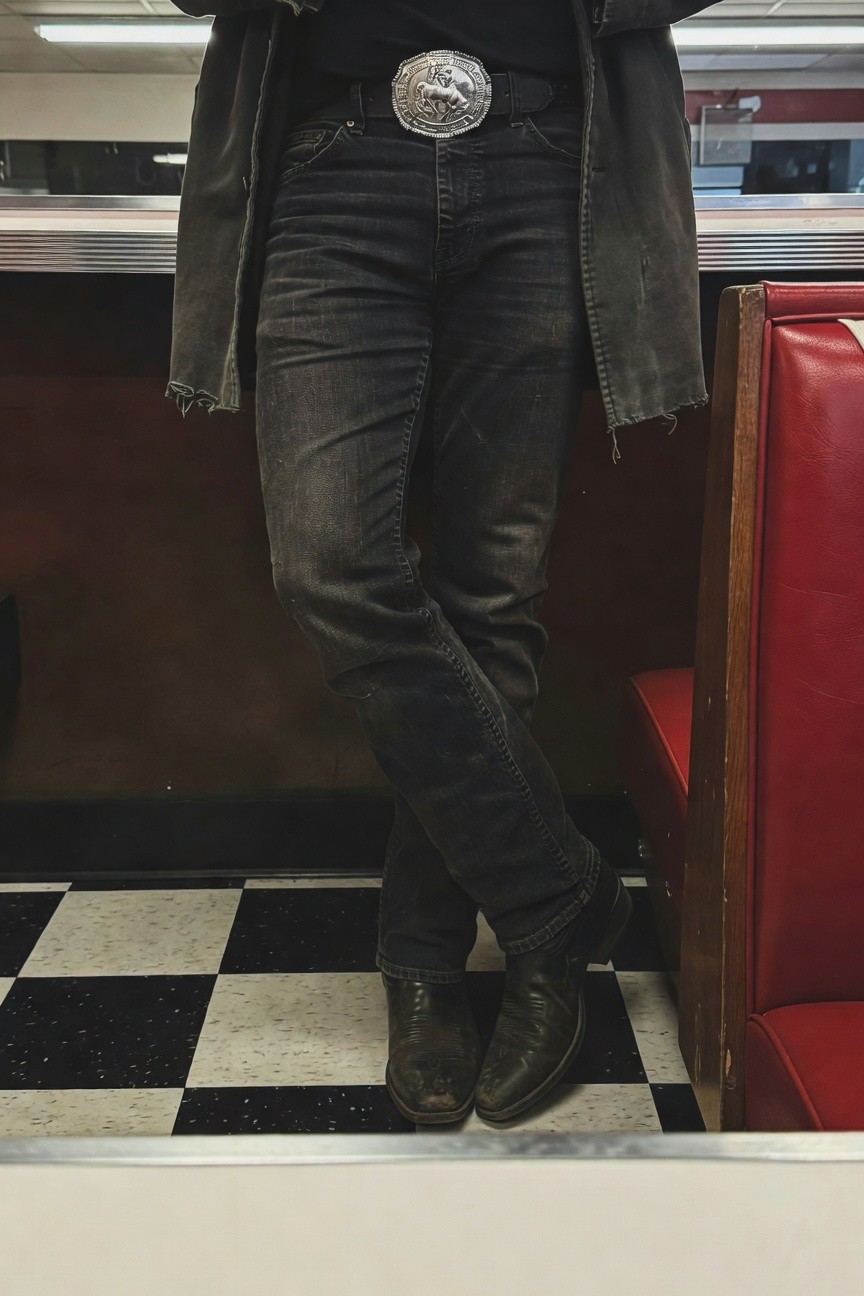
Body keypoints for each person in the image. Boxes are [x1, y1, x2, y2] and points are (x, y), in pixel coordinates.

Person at [166, 0, 714, 1125]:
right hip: (332, 163)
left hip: (548, 161)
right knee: (328, 563)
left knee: (492, 596)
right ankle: (555, 893)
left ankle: (426, 966)